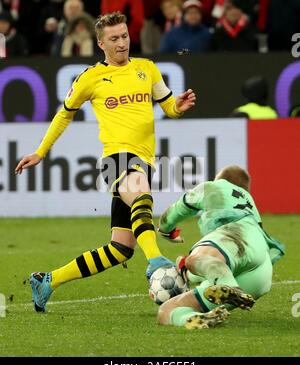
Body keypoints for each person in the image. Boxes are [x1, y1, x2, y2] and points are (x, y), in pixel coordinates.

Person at [15, 12, 196, 313]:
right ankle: (156, 262)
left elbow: (167, 104)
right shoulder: (90, 77)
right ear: (101, 43)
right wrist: (41, 151)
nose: (122, 43)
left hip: (144, 159)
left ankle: (48, 280)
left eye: (124, 36)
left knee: (121, 248)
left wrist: (177, 107)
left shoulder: (147, 69)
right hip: (116, 158)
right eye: (114, 39)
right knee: (141, 194)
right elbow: (64, 114)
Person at [157, 165, 285, 329]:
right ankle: (196, 318)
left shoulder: (216, 187)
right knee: (166, 311)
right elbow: (218, 267)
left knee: (194, 260)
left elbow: (177, 210)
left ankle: (231, 288)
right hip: (259, 275)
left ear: (221, 179)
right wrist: (187, 274)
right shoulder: (249, 202)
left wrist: (164, 229)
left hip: (237, 234)